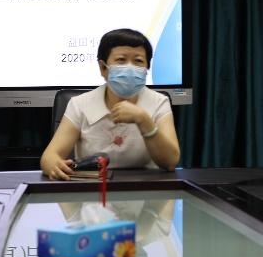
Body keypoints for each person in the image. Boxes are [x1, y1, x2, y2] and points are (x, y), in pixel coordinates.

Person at [41, 29, 180, 178]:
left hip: (147, 186)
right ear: (103, 68)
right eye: (121, 60)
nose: (130, 67)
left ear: (147, 69)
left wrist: (144, 121)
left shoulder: (159, 102)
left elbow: (170, 162)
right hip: (93, 187)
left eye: (138, 61)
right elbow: (49, 157)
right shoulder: (80, 104)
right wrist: (54, 165)